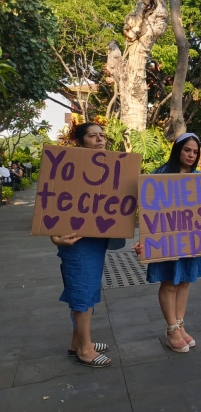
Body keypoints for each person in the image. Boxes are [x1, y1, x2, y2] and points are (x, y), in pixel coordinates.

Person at [133, 133, 201, 353]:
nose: (191, 155)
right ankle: (171, 329)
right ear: (178, 150)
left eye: (195, 152)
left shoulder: (200, 177)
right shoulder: (160, 175)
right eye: (187, 150)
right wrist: (144, 238)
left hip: (191, 239)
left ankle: (180, 324)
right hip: (166, 240)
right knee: (169, 283)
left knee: (184, 281)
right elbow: (149, 210)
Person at [51, 122, 114, 367]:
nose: (99, 140)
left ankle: (77, 342)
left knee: (88, 291)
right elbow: (52, 204)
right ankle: (85, 350)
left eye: (102, 135)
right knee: (81, 292)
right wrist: (56, 237)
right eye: (92, 136)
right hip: (75, 242)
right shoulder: (68, 169)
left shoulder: (109, 171)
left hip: (96, 242)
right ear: (80, 141)